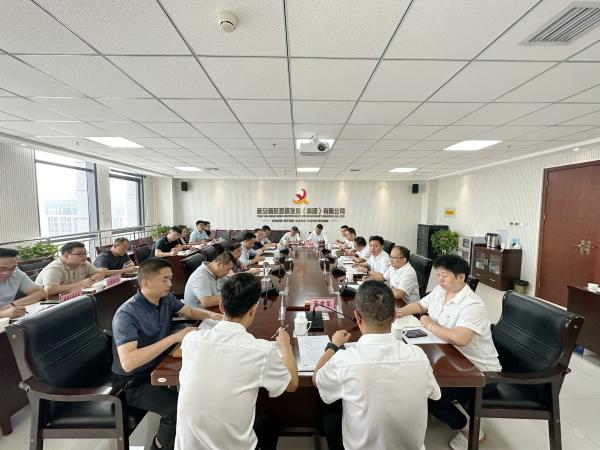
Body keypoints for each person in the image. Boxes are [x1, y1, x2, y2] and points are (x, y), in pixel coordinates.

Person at [175, 273, 298, 450]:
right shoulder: (262, 351)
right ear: (253, 310)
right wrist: (285, 345)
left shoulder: (191, 340)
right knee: (270, 419)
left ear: (221, 305)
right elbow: (292, 384)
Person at [313, 281, 440, 450]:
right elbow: (434, 394)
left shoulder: (345, 360)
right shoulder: (419, 356)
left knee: (331, 414)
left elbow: (317, 379)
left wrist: (333, 346)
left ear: (357, 317)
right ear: (394, 316)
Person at [112, 258, 221, 450]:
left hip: (158, 365)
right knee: (178, 409)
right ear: (146, 282)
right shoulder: (127, 314)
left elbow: (189, 311)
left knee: (202, 388)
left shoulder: (165, 298)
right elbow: (128, 362)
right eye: (165, 280)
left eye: (170, 278)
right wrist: (174, 338)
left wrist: (213, 316)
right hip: (133, 382)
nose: (170, 284)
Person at [397, 255, 501, 450]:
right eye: (438, 275)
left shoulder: (472, 304)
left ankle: (470, 430)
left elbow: (460, 339)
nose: (440, 280)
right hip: (451, 358)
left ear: (461, 277)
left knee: (426, 393)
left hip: (478, 371)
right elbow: (420, 305)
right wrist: (400, 312)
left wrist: (430, 324)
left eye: (444, 275)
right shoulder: (441, 290)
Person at [35, 241, 105, 297]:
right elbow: (49, 290)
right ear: (66, 256)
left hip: (72, 296)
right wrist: (81, 284)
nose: (84, 256)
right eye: (79, 254)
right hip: (47, 302)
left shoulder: (83, 263)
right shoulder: (55, 268)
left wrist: (90, 279)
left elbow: (100, 274)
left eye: (85, 253)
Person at [0, 248, 46, 319]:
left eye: (12, 269)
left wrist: (12, 304)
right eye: (1, 269)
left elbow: (40, 293)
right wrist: (3, 314)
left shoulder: (16, 273)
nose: (7, 273)